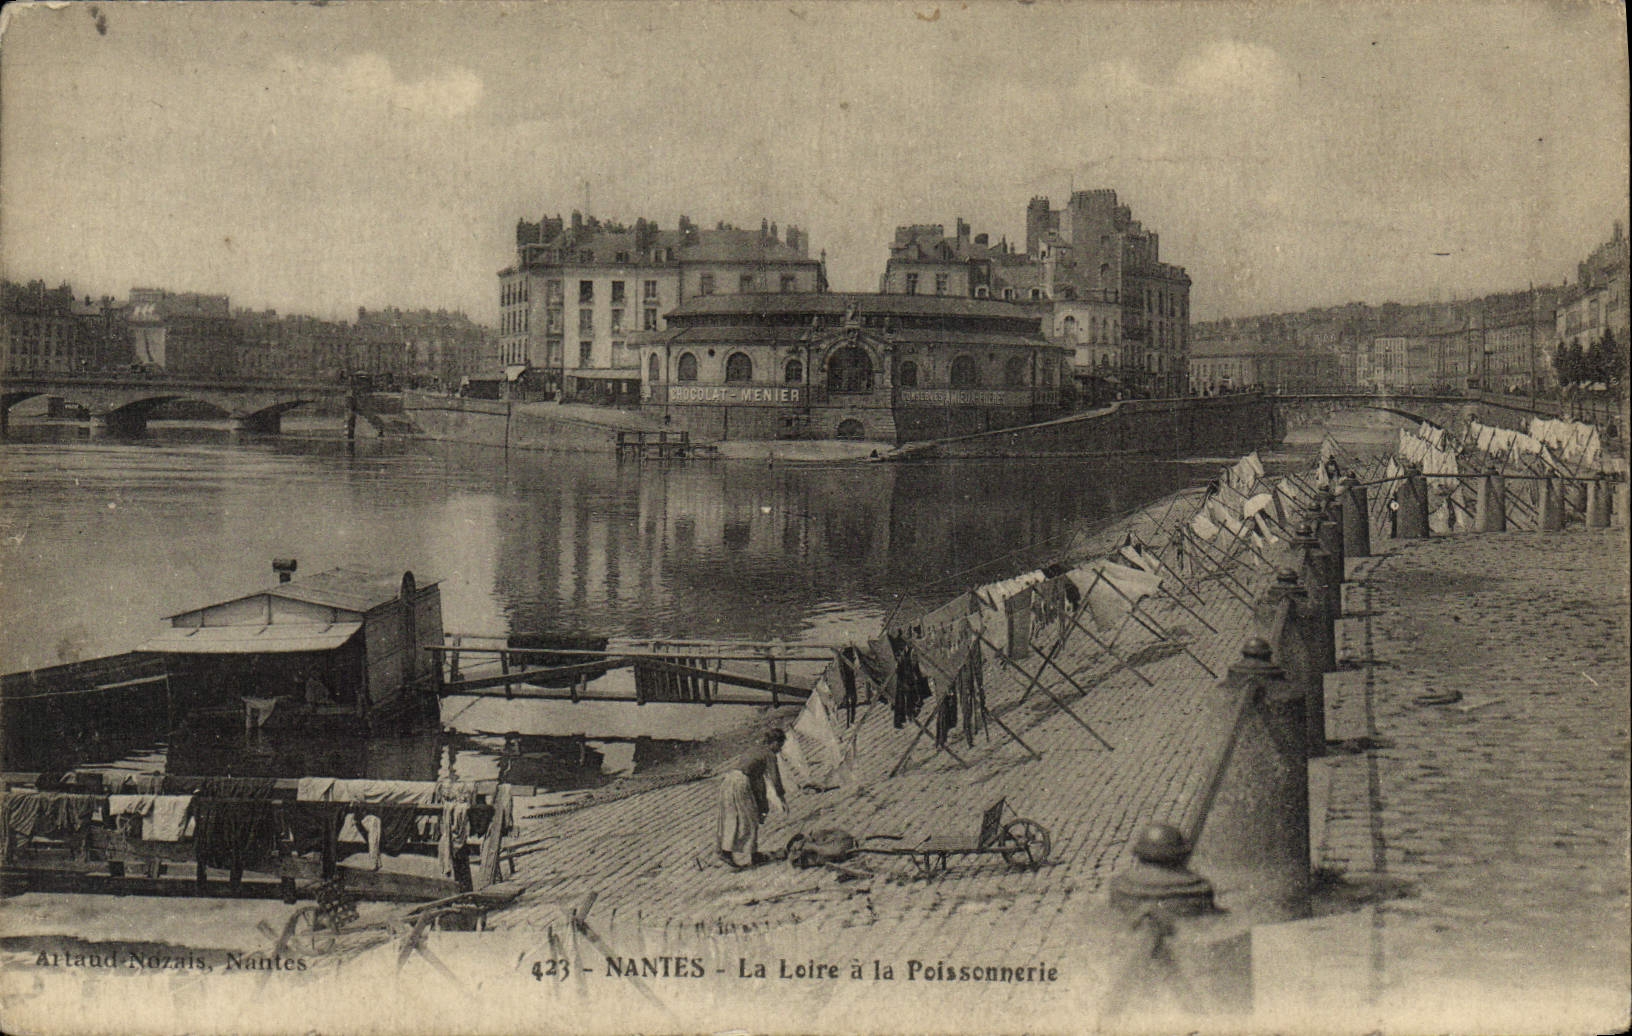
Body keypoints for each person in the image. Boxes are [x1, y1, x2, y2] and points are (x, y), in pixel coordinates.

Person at [716, 728, 786, 869]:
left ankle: (728, 850)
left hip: (729, 779)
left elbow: (758, 784)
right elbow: (775, 779)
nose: (780, 750)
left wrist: (763, 805)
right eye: (780, 745)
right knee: (750, 819)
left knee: (731, 817)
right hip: (741, 783)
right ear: (774, 743)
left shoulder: (755, 749)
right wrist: (782, 798)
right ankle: (744, 854)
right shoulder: (769, 754)